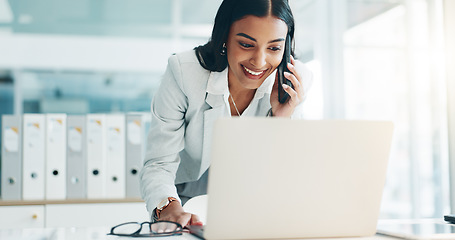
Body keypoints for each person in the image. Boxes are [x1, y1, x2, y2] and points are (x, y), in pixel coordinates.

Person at [140, 0, 313, 227]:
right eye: (246, 44)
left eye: (273, 48)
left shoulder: (292, 82)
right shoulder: (184, 73)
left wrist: (281, 119)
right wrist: (168, 207)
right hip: (184, 200)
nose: (259, 62)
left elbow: (286, 176)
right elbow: (159, 163)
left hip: (250, 204)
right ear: (224, 37)